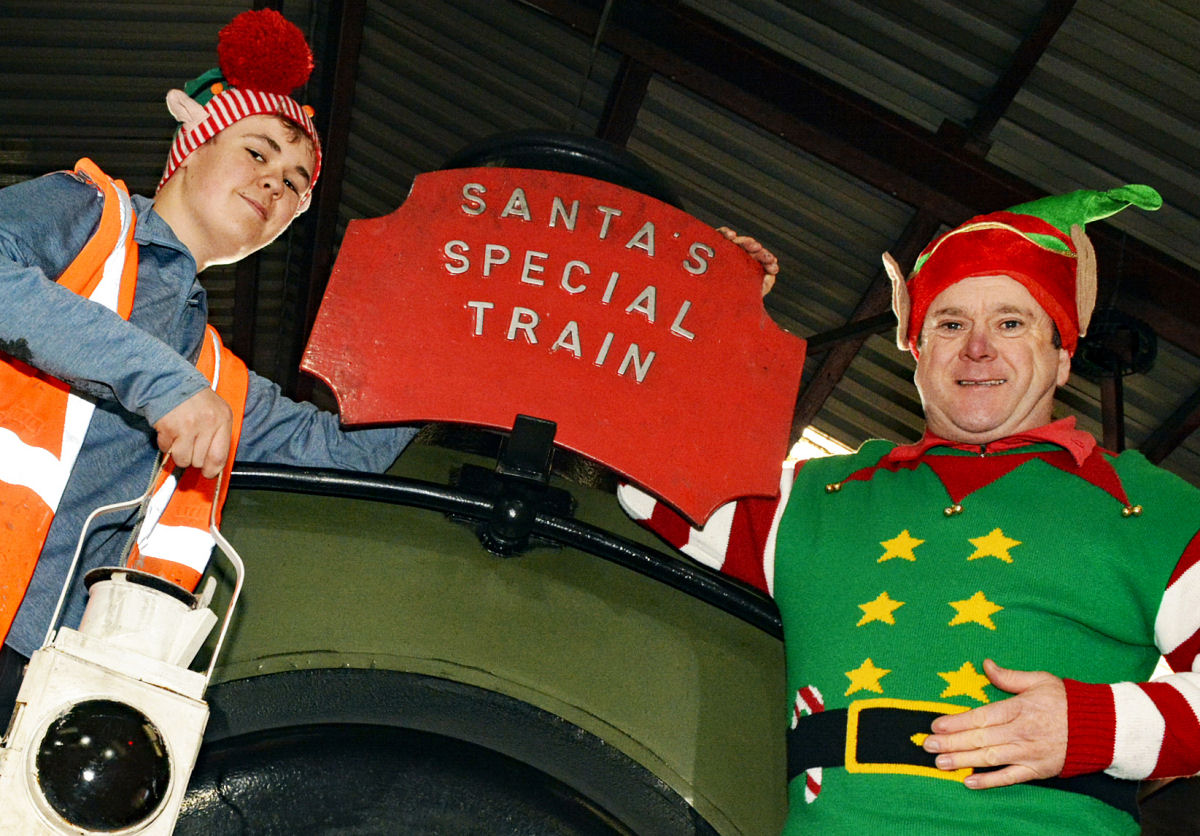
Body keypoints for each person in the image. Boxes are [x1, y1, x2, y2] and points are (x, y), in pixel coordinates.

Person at [619, 186, 1200, 834]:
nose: (977, 348)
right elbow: (645, 478)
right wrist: (706, 316)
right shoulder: (813, 498)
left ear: (1063, 355)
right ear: (917, 356)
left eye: (1011, 322)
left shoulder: (1154, 510)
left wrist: (1091, 726)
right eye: (950, 324)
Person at [0, 10, 418, 727]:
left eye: (294, 185)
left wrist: (452, 366)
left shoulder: (219, 376)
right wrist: (162, 385)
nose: (274, 187)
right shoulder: (86, 212)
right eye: (257, 153)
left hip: (45, 673)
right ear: (190, 148)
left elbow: (339, 452)